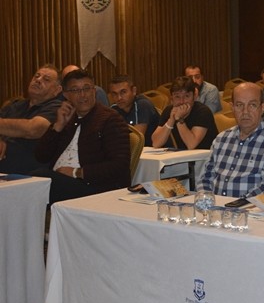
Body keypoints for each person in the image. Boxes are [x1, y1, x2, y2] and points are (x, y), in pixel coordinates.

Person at [33, 69, 129, 203]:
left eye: (87, 88)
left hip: (94, 187)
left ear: (94, 91)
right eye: (75, 90)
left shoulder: (110, 119)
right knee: (31, 181)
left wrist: (77, 172)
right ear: (66, 95)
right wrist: (57, 127)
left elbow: (120, 165)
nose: (83, 95)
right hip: (61, 181)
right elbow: (41, 156)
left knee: (39, 179)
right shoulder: (67, 118)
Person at [200, 83, 264, 199]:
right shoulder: (221, 139)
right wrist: (205, 200)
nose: (245, 111)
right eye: (239, 105)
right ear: (232, 107)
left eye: (252, 105)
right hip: (215, 206)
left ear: (262, 107)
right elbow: (205, 179)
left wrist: (236, 205)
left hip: (251, 207)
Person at [0, 65, 63, 174]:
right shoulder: (14, 105)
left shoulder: (57, 108)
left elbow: (32, 129)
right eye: (36, 76)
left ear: (57, 90)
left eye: (46, 79)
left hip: (31, 174)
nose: (38, 80)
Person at [151, 76, 218, 150]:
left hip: (204, 156)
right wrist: (171, 120)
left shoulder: (203, 112)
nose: (182, 101)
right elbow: (156, 143)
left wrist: (179, 119)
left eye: (187, 96)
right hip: (181, 155)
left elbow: (191, 144)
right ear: (172, 98)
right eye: (177, 97)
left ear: (194, 96)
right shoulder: (168, 110)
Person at [108, 74, 159, 146]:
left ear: (134, 91)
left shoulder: (143, 105)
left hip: (157, 150)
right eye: (114, 94)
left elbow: (136, 140)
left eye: (123, 92)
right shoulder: (114, 108)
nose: (119, 98)